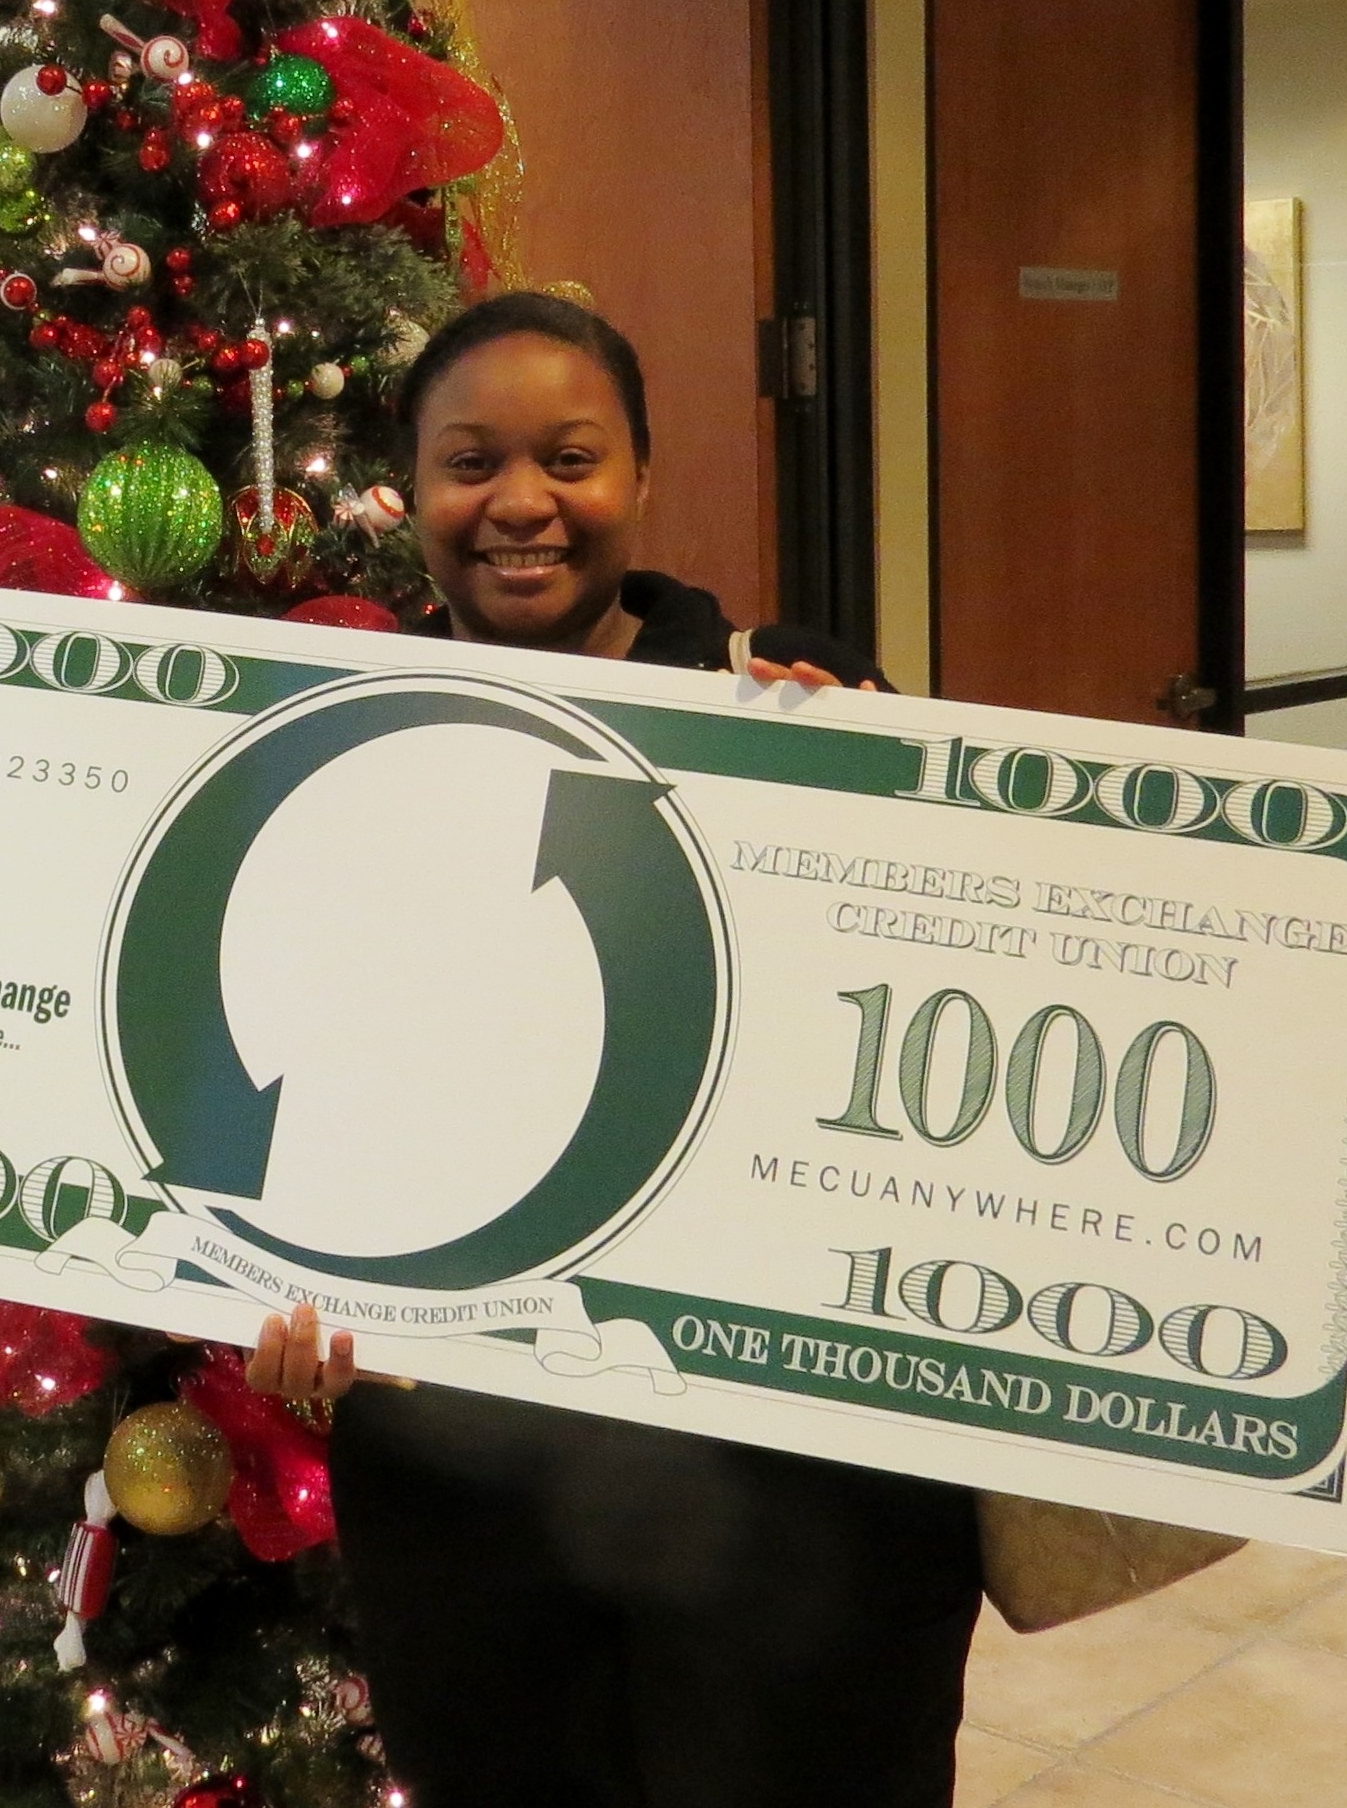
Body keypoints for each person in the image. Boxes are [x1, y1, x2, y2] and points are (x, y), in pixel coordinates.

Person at [245, 292, 983, 1808]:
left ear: (638, 476)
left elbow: (939, 1039)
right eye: (469, 462)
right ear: (412, 493)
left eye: (568, 457)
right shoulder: (329, 752)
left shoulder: (797, 696)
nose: (519, 504)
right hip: (465, 1493)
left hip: (797, 1500)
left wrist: (869, 808)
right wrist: (265, 1287)